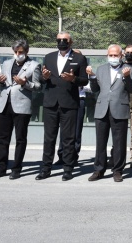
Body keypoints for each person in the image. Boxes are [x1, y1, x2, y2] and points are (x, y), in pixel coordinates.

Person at [37, 32, 88, 181]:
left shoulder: (79, 58)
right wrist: (44, 77)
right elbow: (42, 79)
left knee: (68, 138)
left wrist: (74, 79)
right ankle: (45, 169)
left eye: (64, 40)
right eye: (59, 40)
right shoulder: (49, 57)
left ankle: (68, 169)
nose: (61, 42)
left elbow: (84, 80)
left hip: (69, 103)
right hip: (50, 103)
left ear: (70, 42)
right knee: (49, 138)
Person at [0, 40, 42, 180]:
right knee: (3, 139)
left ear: (26, 52)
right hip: (5, 104)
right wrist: (0, 81)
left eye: (21, 52)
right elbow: (3, 84)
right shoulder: (6, 63)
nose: (18, 54)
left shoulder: (34, 65)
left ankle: (16, 168)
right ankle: (1, 168)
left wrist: (25, 83)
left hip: (22, 106)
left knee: (20, 138)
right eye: (16, 52)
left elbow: (38, 86)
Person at [87, 44, 132, 182]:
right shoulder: (101, 69)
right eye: (111, 55)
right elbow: (95, 89)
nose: (113, 57)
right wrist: (92, 76)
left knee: (119, 142)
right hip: (102, 108)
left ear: (121, 56)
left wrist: (127, 77)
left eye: (116, 55)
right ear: (107, 55)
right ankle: (99, 170)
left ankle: (118, 170)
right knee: (100, 142)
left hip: (119, 108)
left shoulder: (129, 69)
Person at [55, 48, 89, 166]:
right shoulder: (65, 69)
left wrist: (76, 81)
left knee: (76, 130)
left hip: (79, 100)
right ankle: (62, 155)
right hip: (67, 100)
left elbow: (89, 86)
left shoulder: (85, 71)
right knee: (64, 130)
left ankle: (73, 156)